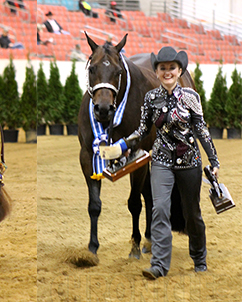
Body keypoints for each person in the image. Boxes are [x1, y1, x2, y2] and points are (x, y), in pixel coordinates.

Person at [118, 46, 220, 280]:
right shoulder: (151, 98)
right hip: (162, 161)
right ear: (156, 71)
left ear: (179, 70)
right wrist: (122, 146)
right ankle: (159, 265)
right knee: (160, 209)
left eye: (171, 68)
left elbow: (201, 130)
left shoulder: (191, 97)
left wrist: (213, 159)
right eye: (162, 68)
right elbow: (142, 131)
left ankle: (199, 257)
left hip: (189, 162)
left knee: (191, 213)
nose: (167, 72)